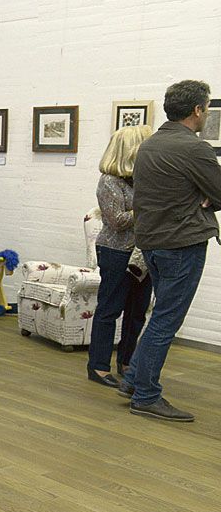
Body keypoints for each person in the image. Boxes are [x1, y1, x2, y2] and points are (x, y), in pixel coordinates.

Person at [119, 80, 221, 422]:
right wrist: (203, 197)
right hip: (182, 246)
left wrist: (201, 195)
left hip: (153, 244)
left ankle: (133, 380)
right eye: (206, 108)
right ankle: (146, 395)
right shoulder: (194, 149)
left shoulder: (150, 146)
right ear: (197, 110)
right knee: (166, 320)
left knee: (160, 314)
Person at [85, 126, 154, 388]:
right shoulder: (109, 181)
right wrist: (148, 209)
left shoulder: (142, 180)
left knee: (137, 312)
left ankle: (127, 362)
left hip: (142, 254)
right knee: (110, 309)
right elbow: (117, 221)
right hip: (115, 251)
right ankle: (98, 366)